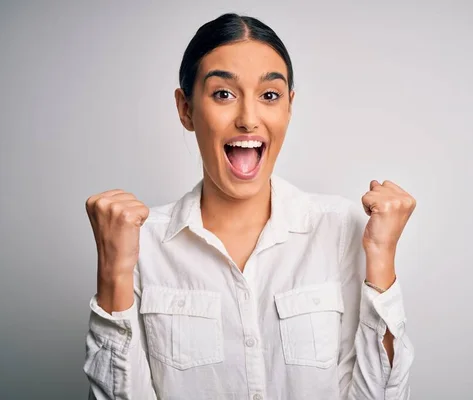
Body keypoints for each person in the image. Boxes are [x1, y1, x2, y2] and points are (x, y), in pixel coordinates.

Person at [83, 13, 416, 400]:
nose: (248, 119)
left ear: (289, 108)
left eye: (269, 95)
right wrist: (112, 272)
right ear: (186, 109)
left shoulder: (343, 229)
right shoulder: (139, 242)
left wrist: (382, 256)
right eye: (223, 94)